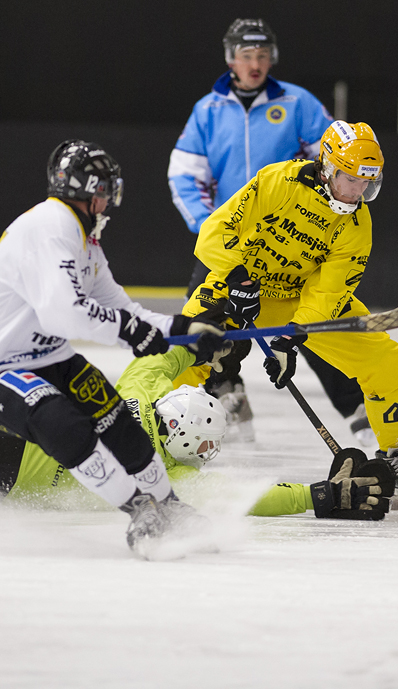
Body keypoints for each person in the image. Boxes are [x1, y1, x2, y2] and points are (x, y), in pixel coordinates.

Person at [176, 120, 398, 510]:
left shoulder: (357, 224)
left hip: (296, 302)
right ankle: (146, 439)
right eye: (351, 179)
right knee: (184, 352)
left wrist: (290, 337)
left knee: (383, 359)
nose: (359, 191)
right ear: (328, 167)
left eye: (368, 181)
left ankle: (395, 458)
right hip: (237, 284)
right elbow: (216, 232)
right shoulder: (277, 182)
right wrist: (239, 280)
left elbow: (329, 291)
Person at [0, 139, 228, 557]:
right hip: (6, 365)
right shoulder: (52, 228)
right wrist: (133, 332)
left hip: (48, 355)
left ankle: (169, 506)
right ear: (85, 191)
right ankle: (140, 508)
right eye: (103, 191)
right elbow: (63, 315)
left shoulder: (84, 236)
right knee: (63, 426)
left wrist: (184, 328)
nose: (108, 200)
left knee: (117, 419)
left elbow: (120, 306)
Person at [167, 17, 373, 447]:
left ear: (272, 58)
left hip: (292, 243)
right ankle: (224, 396)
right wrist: (206, 225)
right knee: (202, 322)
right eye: (246, 56)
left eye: (262, 55)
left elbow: (335, 162)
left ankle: (355, 406)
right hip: (234, 242)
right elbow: (185, 174)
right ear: (231, 59)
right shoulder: (207, 110)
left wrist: (334, 209)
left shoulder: (298, 104)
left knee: (309, 321)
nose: (255, 63)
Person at [1, 347, 390, 520]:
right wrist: (316, 495)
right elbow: (244, 497)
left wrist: (206, 349)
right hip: (13, 471)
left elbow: (162, 355)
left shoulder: (139, 391)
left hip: (21, 412)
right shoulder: (165, 473)